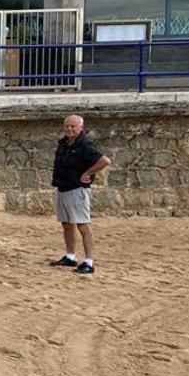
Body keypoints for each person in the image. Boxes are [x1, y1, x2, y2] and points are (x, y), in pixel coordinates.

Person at [49, 114, 112, 275]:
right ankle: (70, 256)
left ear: (81, 128)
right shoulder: (63, 143)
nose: (69, 129)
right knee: (67, 224)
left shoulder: (85, 145)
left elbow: (105, 161)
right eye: (67, 126)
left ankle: (89, 262)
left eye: (73, 126)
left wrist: (88, 173)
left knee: (83, 225)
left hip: (77, 190)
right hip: (63, 188)